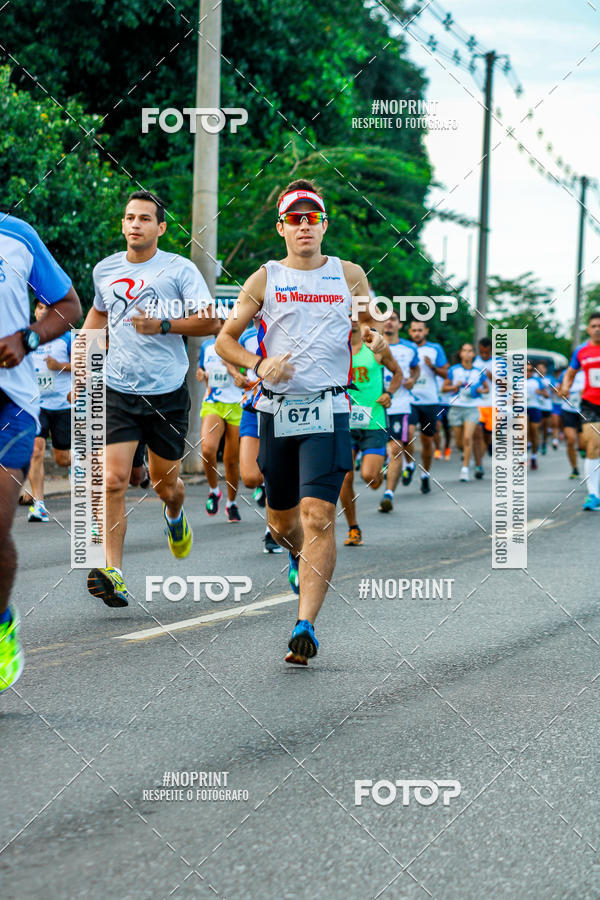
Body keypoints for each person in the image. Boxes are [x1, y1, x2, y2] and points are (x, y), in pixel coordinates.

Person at [215, 178, 386, 665]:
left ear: (324, 225)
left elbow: (370, 321)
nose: (305, 226)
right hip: (276, 410)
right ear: (282, 228)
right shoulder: (264, 279)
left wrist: (374, 338)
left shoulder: (348, 274)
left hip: (329, 408)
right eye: (296, 218)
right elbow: (227, 339)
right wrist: (257, 362)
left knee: (318, 516)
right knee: (282, 521)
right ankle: (295, 555)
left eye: (313, 218)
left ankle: (304, 623)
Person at [82, 191, 216, 608]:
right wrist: (83, 365)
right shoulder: (105, 269)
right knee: (113, 480)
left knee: (165, 484)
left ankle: (175, 515)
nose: (135, 224)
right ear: (123, 225)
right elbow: (98, 316)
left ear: (160, 227)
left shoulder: (179, 269)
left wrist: (163, 324)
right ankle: (114, 573)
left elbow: (210, 320)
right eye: (129, 218)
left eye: (144, 218)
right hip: (119, 390)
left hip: (166, 392)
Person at [0, 213, 81, 691]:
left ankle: (1, 621)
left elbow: (67, 304)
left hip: (9, 402)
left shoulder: (17, 235)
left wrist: (27, 339)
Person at [340, 316, 402, 542]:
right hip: (344, 423)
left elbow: (398, 373)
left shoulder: (376, 349)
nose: (352, 320)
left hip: (374, 421)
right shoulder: (337, 350)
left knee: (369, 476)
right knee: (345, 477)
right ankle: (353, 528)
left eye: (356, 316)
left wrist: (390, 394)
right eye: (347, 316)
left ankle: (378, 474)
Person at [236, 317, 282, 552]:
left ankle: (272, 531)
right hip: (253, 409)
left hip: (281, 410)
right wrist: (235, 374)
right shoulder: (244, 336)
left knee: (275, 473)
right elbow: (224, 351)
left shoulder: (285, 329)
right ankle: (268, 485)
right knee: (251, 477)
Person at [27, 300, 73, 522]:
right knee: (36, 450)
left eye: (47, 308)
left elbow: (85, 365)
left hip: (64, 405)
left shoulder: (67, 336)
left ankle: (90, 465)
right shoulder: (28, 337)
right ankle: (39, 505)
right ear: (35, 312)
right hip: (37, 405)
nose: (42, 312)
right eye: (39, 308)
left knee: (63, 459)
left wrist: (59, 366)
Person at [197, 314, 242, 523]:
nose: (222, 324)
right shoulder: (207, 346)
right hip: (214, 402)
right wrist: (201, 374)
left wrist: (231, 368)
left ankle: (232, 503)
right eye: (220, 320)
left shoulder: (241, 344)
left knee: (231, 461)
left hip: (236, 404)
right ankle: (214, 490)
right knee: (207, 448)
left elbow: (247, 374)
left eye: (227, 320)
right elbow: (202, 369)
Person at [377, 310, 419, 512]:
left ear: (399, 325)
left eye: (393, 319)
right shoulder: (372, 346)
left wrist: (412, 379)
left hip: (399, 405)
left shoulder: (410, 348)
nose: (388, 323)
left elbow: (415, 368)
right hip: (374, 406)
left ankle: (389, 494)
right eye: (385, 319)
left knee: (395, 448)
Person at [559, 311, 600, 510]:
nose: (597, 329)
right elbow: (571, 371)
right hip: (590, 404)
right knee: (592, 446)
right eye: (593, 326)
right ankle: (594, 495)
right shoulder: (581, 351)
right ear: (588, 329)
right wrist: (566, 386)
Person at [407, 320, 448, 493]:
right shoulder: (406, 348)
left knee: (427, 440)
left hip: (430, 400)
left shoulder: (435, 348)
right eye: (414, 330)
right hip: (410, 399)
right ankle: (408, 466)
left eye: (420, 330)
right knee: (407, 434)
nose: (417, 333)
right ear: (410, 332)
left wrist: (432, 366)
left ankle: (425, 474)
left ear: (426, 331)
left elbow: (447, 373)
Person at [442, 343, 489, 481]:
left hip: (472, 408)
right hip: (456, 407)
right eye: (464, 351)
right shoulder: (453, 370)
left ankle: (465, 469)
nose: (467, 353)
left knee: (468, 438)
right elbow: (444, 388)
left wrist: (481, 390)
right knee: (459, 443)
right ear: (461, 354)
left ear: (473, 354)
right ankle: (466, 456)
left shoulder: (479, 371)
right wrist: (454, 386)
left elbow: (487, 388)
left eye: (470, 351)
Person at [559, 369, 585, 479]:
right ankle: (574, 468)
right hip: (568, 410)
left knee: (583, 444)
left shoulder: (588, 371)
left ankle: (584, 451)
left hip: (584, 411)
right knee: (570, 440)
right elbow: (559, 392)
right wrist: (564, 391)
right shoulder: (565, 374)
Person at [526, 361, 548, 470]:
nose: (527, 372)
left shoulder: (537, 381)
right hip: (522, 408)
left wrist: (540, 392)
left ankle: (534, 456)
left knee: (534, 432)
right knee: (523, 430)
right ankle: (523, 456)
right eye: (525, 370)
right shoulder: (517, 381)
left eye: (530, 370)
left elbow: (546, 395)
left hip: (534, 407)